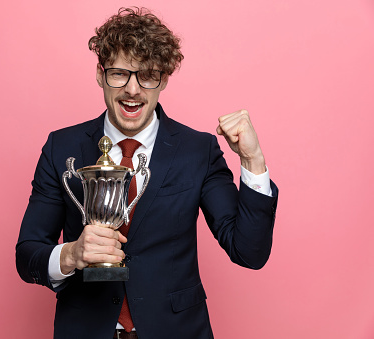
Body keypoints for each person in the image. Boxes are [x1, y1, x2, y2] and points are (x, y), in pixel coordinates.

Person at [16, 7, 278, 339]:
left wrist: (253, 161)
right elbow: (28, 256)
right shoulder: (61, 147)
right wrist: (71, 253)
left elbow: (249, 252)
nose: (133, 89)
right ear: (100, 74)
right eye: (119, 74)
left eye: (148, 75)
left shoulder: (198, 150)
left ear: (164, 80)